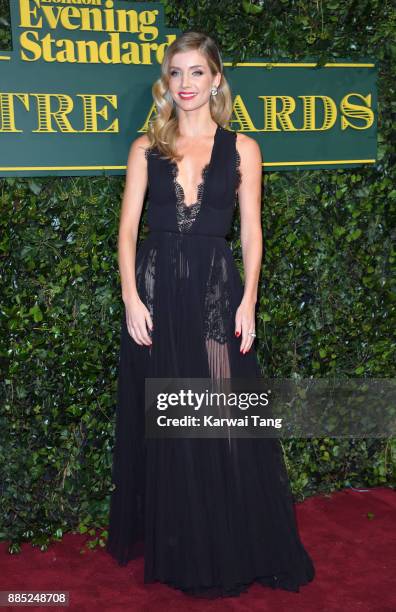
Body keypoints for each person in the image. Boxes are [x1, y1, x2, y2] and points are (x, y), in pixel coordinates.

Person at [106, 31, 315, 599]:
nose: (187, 84)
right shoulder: (146, 146)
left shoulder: (244, 148)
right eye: (177, 73)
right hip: (157, 287)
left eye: (197, 72)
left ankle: (233, 540)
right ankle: (182, 543)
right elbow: (127, 230)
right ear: (166, 82)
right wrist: (130, 295)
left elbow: (251, 230)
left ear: (216, 79)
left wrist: (249, 299)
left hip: (216, 288)